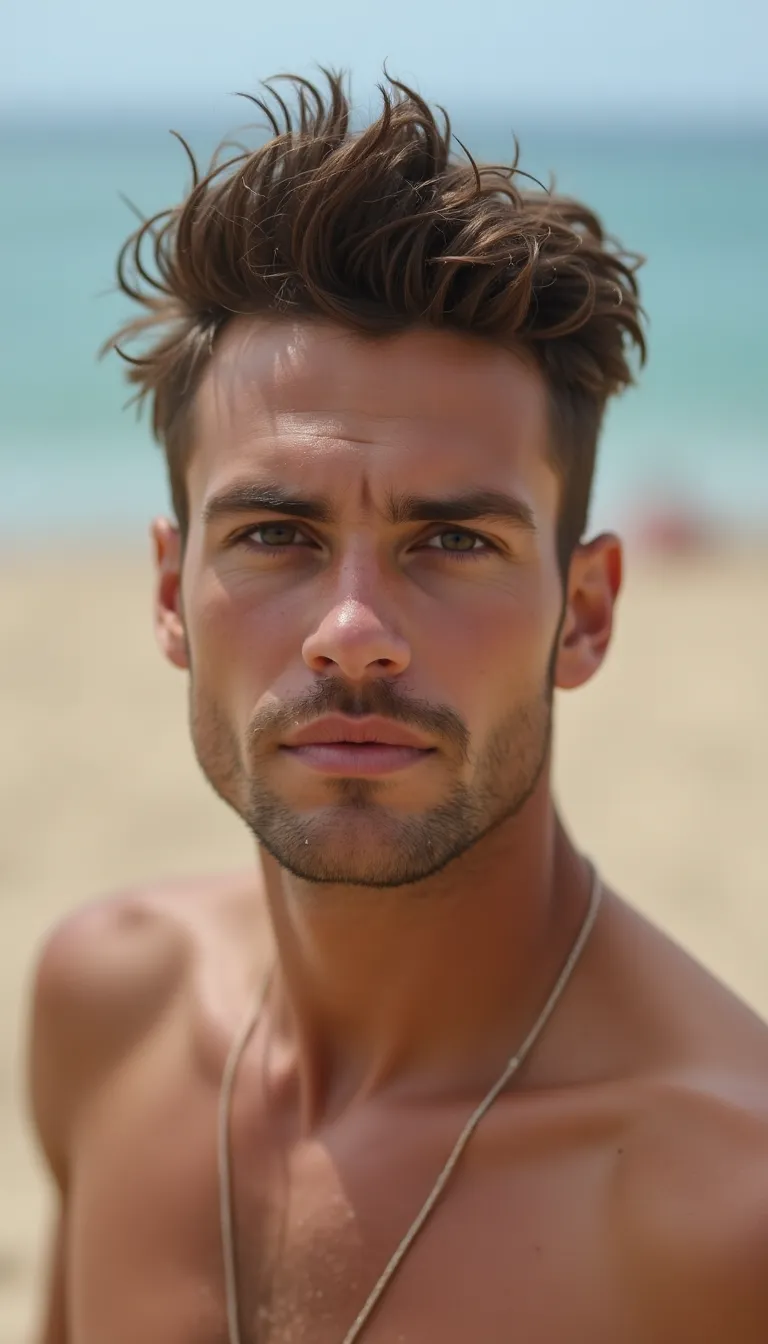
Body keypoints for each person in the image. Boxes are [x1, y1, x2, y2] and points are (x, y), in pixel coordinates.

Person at [28, 71, 768, 1344]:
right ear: (167, 593)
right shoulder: (107, 1011)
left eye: (454, 542)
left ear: (585, 614)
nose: (353, 633)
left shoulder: (723, 1211)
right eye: (275, 534)